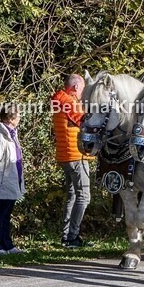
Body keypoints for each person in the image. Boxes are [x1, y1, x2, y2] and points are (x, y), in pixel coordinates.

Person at [52, 74, 93, 248]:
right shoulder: (70, 102)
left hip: (65, 155)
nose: (83, 92)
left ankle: (66, 235)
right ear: (76, 87)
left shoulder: (60, 101)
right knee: (84, 197)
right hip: (76, 155)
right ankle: (72, 237)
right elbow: (86, 122)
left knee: (73, 196)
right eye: (83, 88)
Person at [0, 104, 25, 255]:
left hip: (12, 179)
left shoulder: (12, 134)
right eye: (18, 115)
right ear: (10, 118)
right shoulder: (1, 136)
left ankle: (7, 244)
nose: (20, 118)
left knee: (6, 215)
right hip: (3, 180)